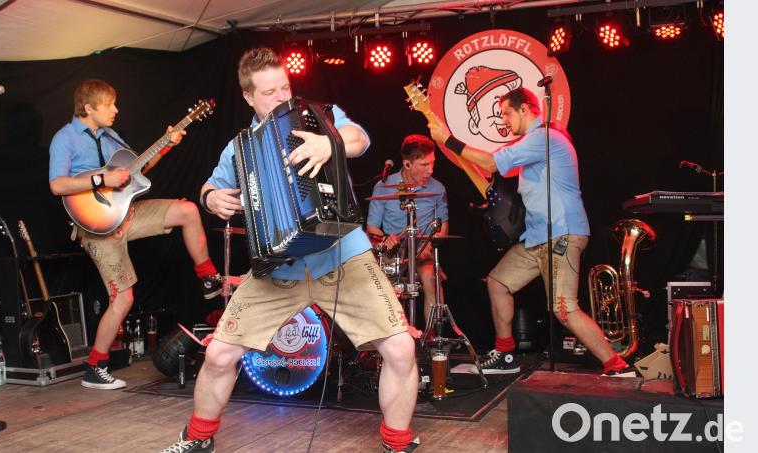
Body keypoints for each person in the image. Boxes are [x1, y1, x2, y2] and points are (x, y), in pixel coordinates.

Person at [160, 48, 420, 453]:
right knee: (220, 355)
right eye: (269, 92)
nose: (281, 97)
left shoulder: (319, 116)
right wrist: (211, 199)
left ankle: (398, 444)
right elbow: (209, 186)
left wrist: (328, 143)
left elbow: (360, 139)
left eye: (285, 86)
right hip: (278, 268)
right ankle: (196, 439)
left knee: (401, 348)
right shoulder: (239, 149)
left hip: (343, 256)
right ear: (248, 97)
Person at [427, 87, 632, 376]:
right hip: (537, 237)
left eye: (506, 113)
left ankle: (618, 366)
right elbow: (490, 169)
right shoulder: (533, 142)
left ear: (525, 109)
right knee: (498, 283)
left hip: (560, 234)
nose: (503, 120)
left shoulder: (543, 137)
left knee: (564, 309)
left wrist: (447, 139)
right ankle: (506, 355)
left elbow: (490, 162)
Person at [48, 79, 223, 390]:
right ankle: (95, 367)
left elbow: (136, 169)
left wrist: (168, 143)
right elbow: (58, 185)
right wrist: (103, 178)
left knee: (188, 211)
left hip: (126, 213)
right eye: (109, 104)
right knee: (122, 298)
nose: (116, 110)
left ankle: (207, 276)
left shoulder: (111, 136)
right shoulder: (65, 139)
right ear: (89, 108)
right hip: (96, 227)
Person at [366, 134, 449, 329]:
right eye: (424, 165)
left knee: (431, 277)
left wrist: (432, 242)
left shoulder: (438, 188)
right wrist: (385, 239)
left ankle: (431, 337)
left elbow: (443, 226)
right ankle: (394, 336)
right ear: (407, 164)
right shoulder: (384, 186)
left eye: (432, 163)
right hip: (393, 252)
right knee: (383, 283)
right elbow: (371, 228)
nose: (431, 170)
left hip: (423, 249)